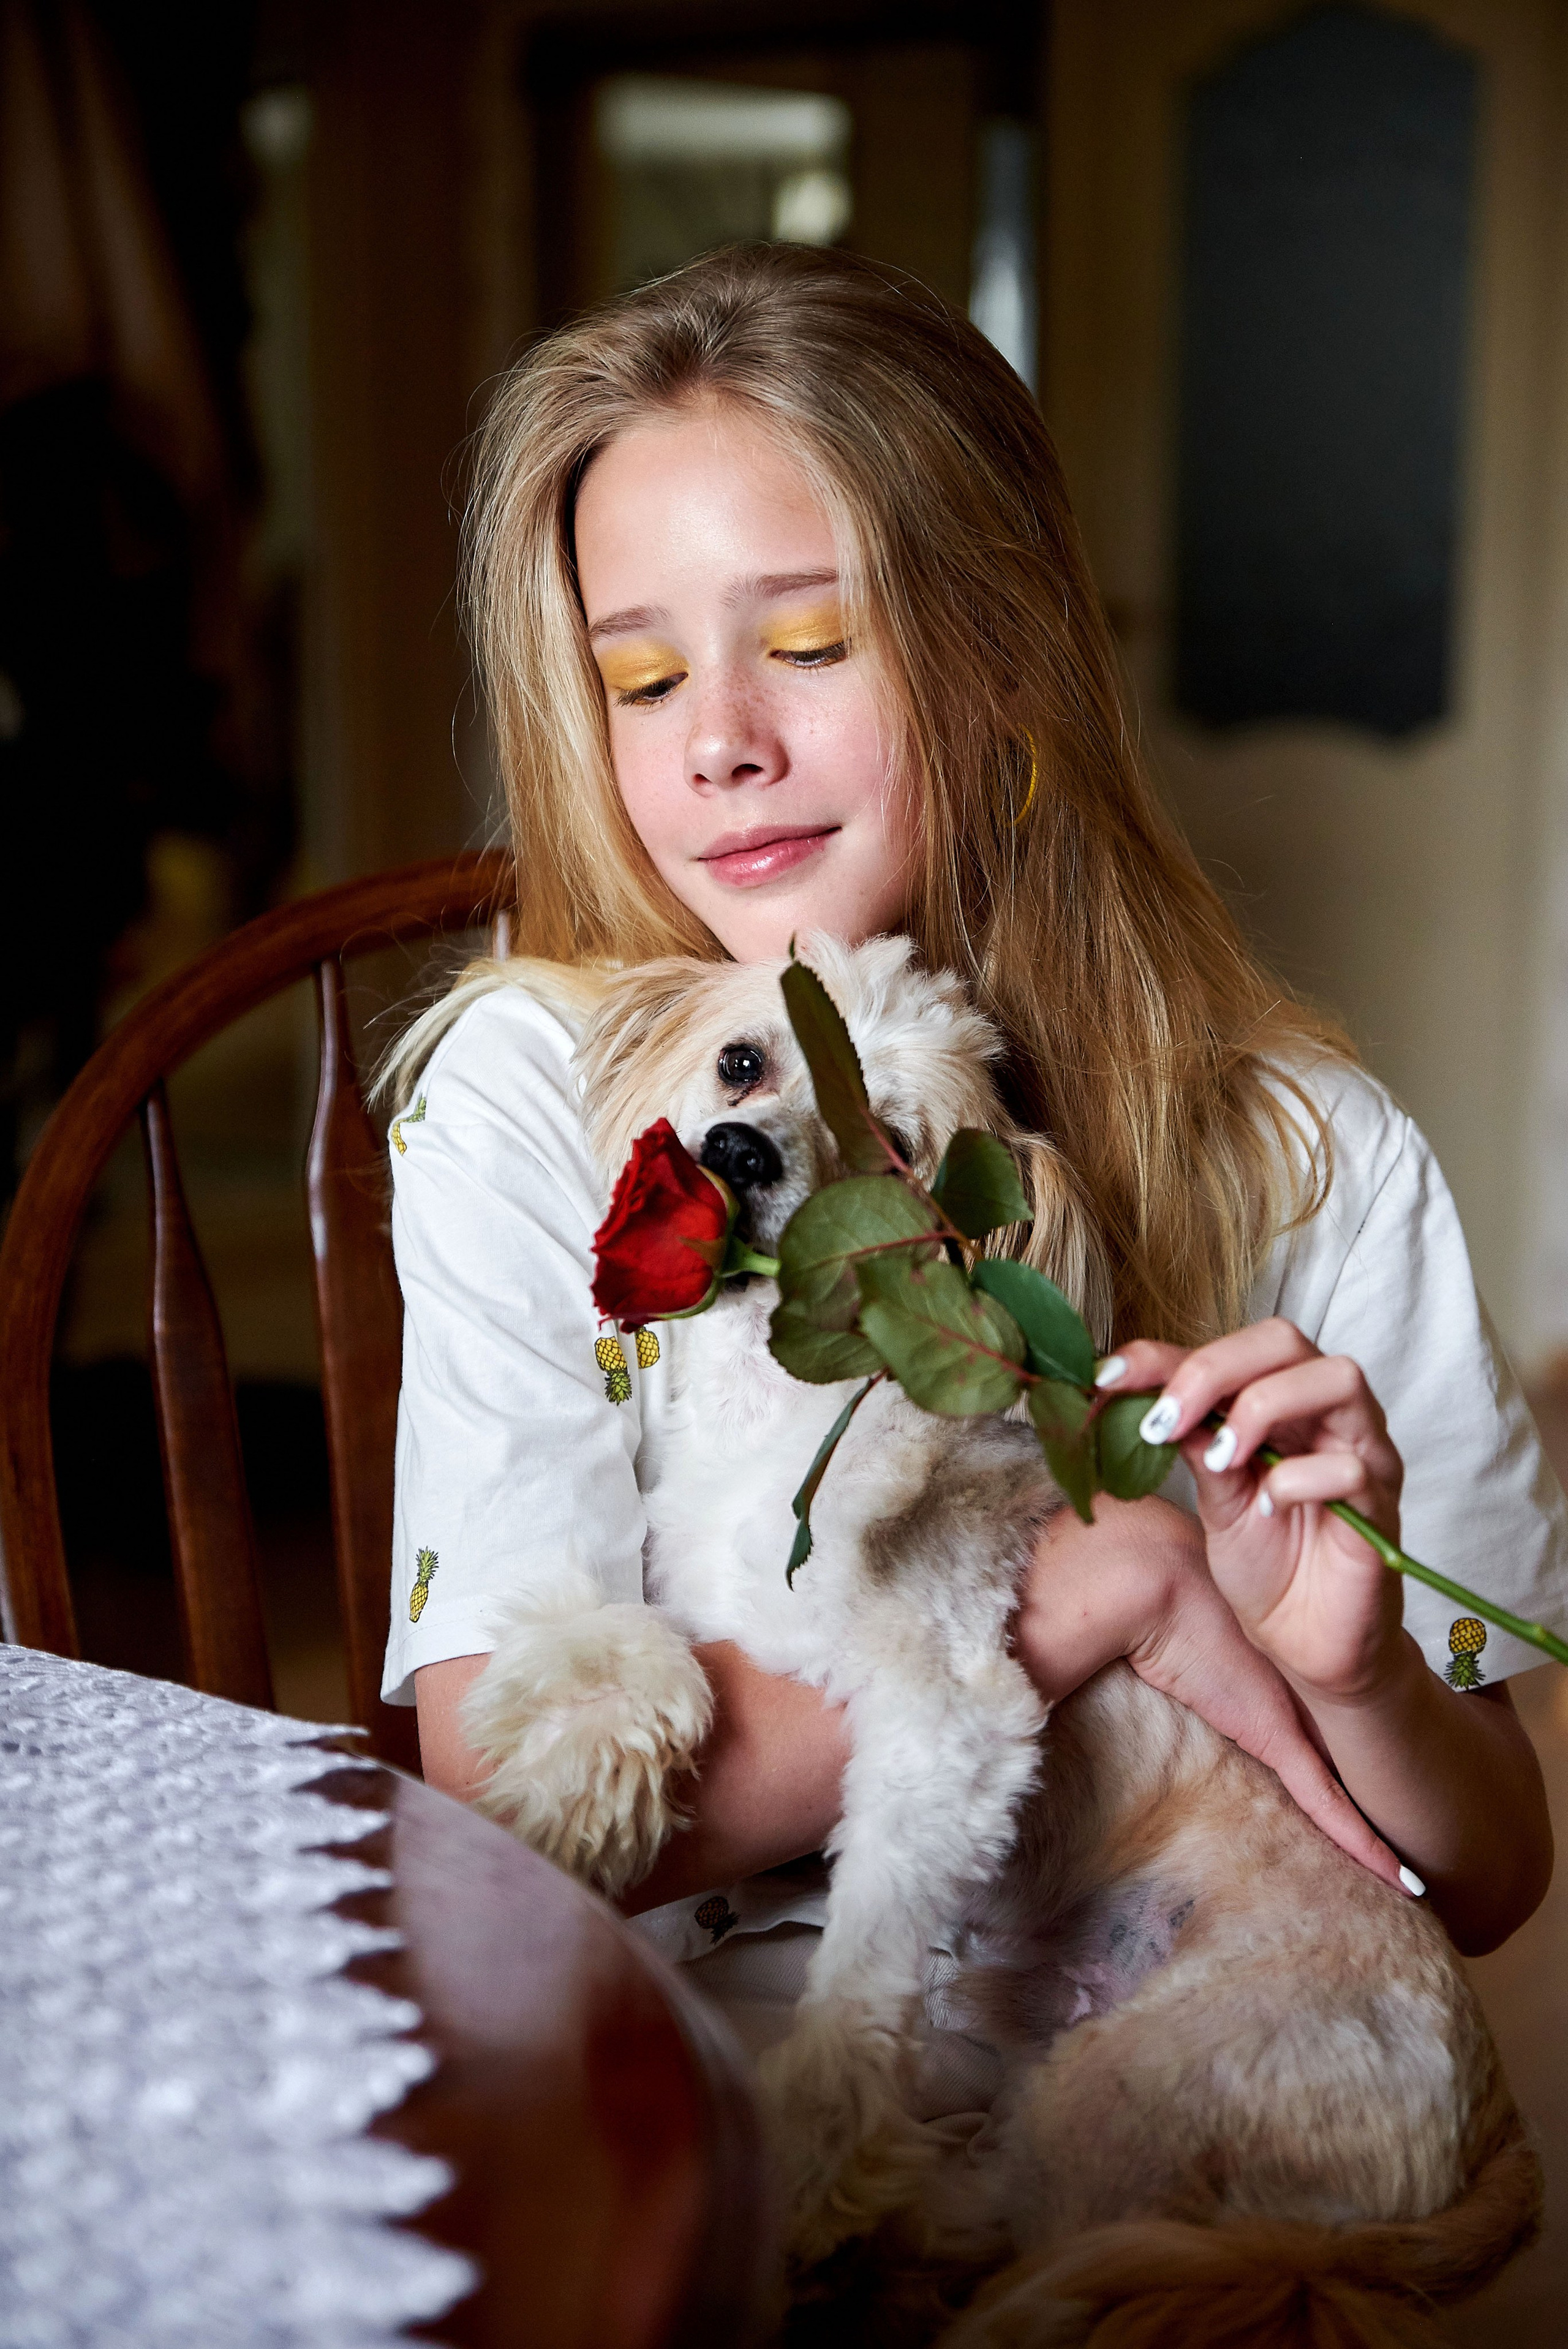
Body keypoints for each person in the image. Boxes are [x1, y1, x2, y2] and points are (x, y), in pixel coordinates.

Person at [382, 247, 1560, 2024]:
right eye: (642, 680)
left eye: (807, 646)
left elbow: (1489, 1875)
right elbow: (503, 1799)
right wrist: (1103, 1582)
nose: (721, 743)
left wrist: (1361, 1670)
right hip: (728, 2078)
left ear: (1001, 650)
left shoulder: (1311, 1151)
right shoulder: (535, 1096)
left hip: (1200, 2055)